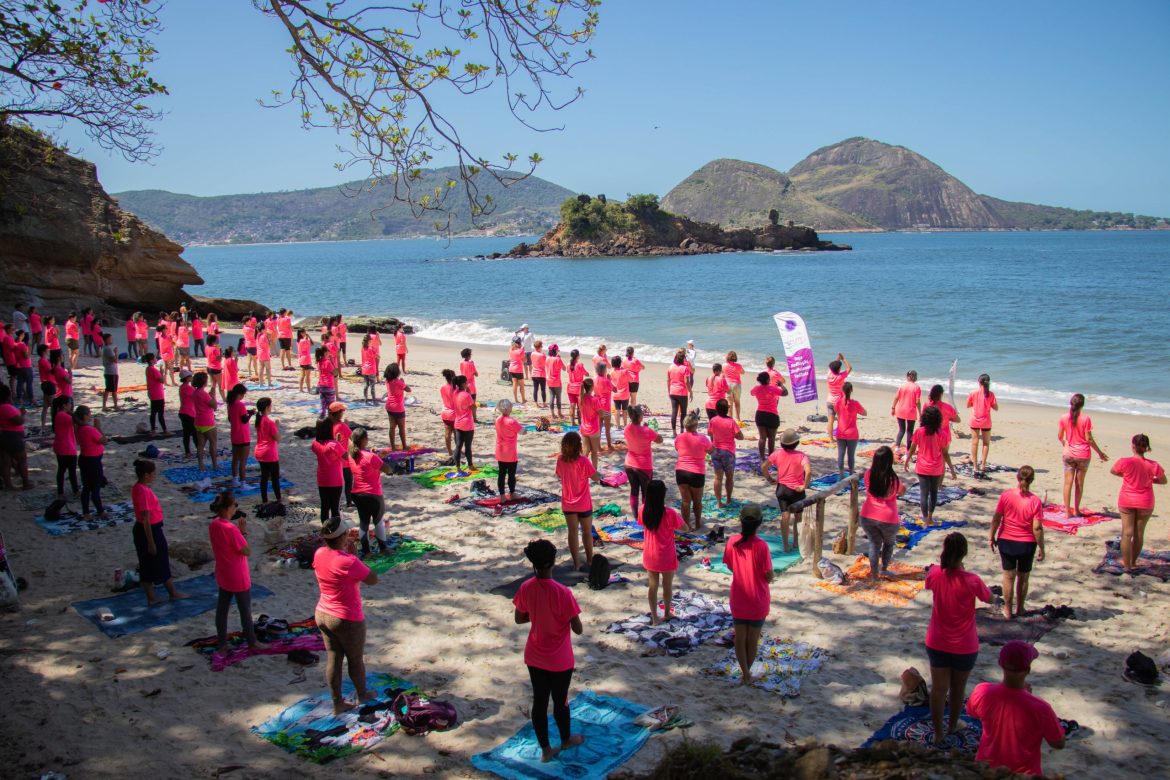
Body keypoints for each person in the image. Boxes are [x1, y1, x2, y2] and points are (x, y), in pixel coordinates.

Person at [513, 539, 584, 763]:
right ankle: (565, 739)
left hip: (535, 655)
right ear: (553, 562)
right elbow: (578, 628)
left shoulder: (526, 588)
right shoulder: (563, 593)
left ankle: (545, 749)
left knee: (540, 701)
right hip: (560, 658)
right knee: (560, 700)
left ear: (533, 564)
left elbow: (519, 618)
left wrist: (537, 615)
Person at [924, 532, 992, 746]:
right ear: (964, 553)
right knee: (957, 689)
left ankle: (937, 733)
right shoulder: (972, 580)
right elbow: (988, 598)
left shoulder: (935, 574)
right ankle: (952, 725)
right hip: (965, 644)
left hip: (937, 641)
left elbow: (929, 582)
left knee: (938, 689)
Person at [967, 641, 1066, 776]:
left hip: (985, 770)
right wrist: (1025, 698)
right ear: (1027, 670)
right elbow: (1058, 744)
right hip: (1022, 775)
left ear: (1001, 665)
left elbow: (972, 713)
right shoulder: (1041, 708)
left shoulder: (981, 691)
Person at [315, 515, 378, 713]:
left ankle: (337, 702)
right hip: (346, 617)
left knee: (334, 657)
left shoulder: (319, 554)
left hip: (323, 612)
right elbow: (372, 579)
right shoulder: (348, 561)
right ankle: (362, 694)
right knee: (354, 658)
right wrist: (354, 557)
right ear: (342, 537)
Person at [723, 503, 774, 686]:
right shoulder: (761, 546)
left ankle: (744, 671)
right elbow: (768, 575)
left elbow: (729, 565)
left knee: (740, 637)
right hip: (758, 598)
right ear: (759, 523)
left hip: (739, 595)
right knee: (752, 639)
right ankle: (747, 673)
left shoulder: (732, 542)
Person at [207, 490, 264, 653]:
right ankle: (252, 642)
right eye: (234, 505)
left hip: (223, 571)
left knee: (222, 609)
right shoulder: (230, 529)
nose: (235, 508)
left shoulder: (214, 524)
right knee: (245, 610)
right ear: (226, 508)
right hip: (237, 573)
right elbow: (246, 550)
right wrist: (243, 532)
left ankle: (222, 643)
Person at [990, 466, 1045, 619]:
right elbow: (1037, 528)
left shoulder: (1006, 496)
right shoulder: (1035, 501)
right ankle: (1020, 607)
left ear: (1017, 478)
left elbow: (996, 518)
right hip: (1026, 543)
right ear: (1032, 480)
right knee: (1023, 577)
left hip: (1006, 541)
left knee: (1008, 576)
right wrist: (1041, 547)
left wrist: (991, 536)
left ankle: (1007, 609)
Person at [132, 459, 188, 604]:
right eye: (153, 473)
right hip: (149, 530)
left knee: (150, 563)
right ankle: (170, 593)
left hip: (149, 528)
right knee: (158, 561)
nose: (155, 475)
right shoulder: (142, 491)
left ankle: (155, 596)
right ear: (146, 475)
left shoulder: (140, 487)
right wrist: (150, 541)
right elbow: (145, 518)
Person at [1110, 434, 1167, 572]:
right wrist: (1151, 480)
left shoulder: (1124, 461)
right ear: (1147, 448)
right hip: (1145, 501)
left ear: (1133, 446)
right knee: (1139, 533)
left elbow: (1113, 471)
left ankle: (1127, 565)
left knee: (1127, 533)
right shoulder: (1153, 465)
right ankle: (1133, 561)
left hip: (1127, 499)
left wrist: (1126, 476)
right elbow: (1163, 480)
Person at [639, 480, 684, 625]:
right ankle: (666, 613)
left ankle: (654, 617)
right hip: (666, 554)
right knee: (667, 586)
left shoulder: (643, 510)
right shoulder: (669, 513)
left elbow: (641, 524)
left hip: (650, 554)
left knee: (653, 586)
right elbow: (686, 528)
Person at [555, 431, 601, 571]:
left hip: (568, 502)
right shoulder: (583, 461)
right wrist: (601, 474)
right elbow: (595, 477)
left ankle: (576, 563)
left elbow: (559, 475)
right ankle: (590, 560)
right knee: (587, 532)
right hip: (583, 503)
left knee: (572, 532)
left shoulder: (560, 460)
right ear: (579, 446)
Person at [1057, 393, 1109, 518]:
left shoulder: (1064, 417)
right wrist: (1100, 453)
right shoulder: (1086, 419)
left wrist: (1065, 444)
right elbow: (1089, 439)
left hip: (1068, 454)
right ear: (1082, 405)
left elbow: (1060, 436)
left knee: (1067, 483)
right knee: (1079, 484)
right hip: (1083, 455)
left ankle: (1067, 512)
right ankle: (1076, 510)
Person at [904, 405, 956, 526]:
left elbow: (912, 449)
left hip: (922, 467)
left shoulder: (919, 432)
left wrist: (907, 461)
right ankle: (930, 517)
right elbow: (945, 454)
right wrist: (952, 470)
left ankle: (925, 518)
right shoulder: (942, 434)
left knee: (923, 493)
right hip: (936, 468)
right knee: (933, 493)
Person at [763, 429, 811, 552]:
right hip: (797, 490)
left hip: (782, 489)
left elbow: (764, 466)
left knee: (785, 516)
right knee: (798, 517)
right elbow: (808, 471)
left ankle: (785, 545)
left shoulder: (777, 454)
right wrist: (804, 486)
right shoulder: (801, 455)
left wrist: (769, 478)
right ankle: (796, 542)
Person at [860, 446, 905, 579]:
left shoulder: (869, 474)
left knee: (874, 544)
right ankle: (884, 568)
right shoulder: (893, 479)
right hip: (888, 517)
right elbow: (902, 491)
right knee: (888, 544)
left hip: (868, 514)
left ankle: (874, 573)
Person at [349, 427, 393, 557]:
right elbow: (387, 470)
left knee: (364, 522)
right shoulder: (370, 457)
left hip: (357, 493)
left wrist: (377, 456)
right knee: (378, 521)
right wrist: (380, 458)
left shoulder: (352, 455)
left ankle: (366, 551)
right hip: (372, 493)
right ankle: (383, 548)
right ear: (364, 440)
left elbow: (364, 466)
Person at [674, 411, 712, 529]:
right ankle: (698, 524)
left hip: (681, 471)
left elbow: (677, 449)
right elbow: (711, 451)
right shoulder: (703, 438)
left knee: (685, 501)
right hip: (697, 472)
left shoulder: (679, 437)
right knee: (697, 501)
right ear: (696, 425)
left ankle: (686, 525)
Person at [623, 405, 662, 515]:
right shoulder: (646, 430)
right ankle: (644, 514)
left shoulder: (627, 428)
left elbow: (635, 435)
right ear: (640, 416)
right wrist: (648, 429)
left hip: (629, 464)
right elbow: (660, 440)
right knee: (646, 492)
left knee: (634, 491)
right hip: (644, 466)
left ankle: (636, 514)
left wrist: (645, 429)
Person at [74, 405, 108, 517]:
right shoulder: (89, 430)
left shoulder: (79, 428)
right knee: (95, 487)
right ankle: (100, 511)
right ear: (84, 416)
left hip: (85, 459)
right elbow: (104, 441)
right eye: (89, 413)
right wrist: (98, 428)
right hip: (93, 461)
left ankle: (86, 512)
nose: (90, 415)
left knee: (86, 487)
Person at [709, 399, 744, 507]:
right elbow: (741, 436)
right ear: (728, 409)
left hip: (716, 450)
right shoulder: (731, 422)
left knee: (717, 477)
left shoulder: (713, 420)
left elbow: (710, 433)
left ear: (716, 409)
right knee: (729, 477)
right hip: (728, 452)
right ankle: (728, 499)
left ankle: (719, 502)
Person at [313, 418, 346, 522]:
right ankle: (336, 533)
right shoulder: (334, 445)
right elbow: (346, 456)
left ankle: (325, 531)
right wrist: (339, 443)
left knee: (324, 507)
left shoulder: (315, 444)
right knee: (335, 508)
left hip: (322, 479)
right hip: (335, 480)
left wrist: (336, 442)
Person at [0, 385, 32, 490]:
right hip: (13, 436)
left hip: (4, 435)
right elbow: (18, 421)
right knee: (22, 460)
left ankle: (8, 485)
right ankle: (26, 483)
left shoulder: (4, 407)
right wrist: (22, 414)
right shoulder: (5, 408)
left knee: (6, 462)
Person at [967, 373, 998, 475]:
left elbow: (968, 405)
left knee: (974, 442)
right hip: (986, 421)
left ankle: (975, 466)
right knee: (986, 443)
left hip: (975, 420)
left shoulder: (973, 392)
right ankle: (983, 466)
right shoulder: (990, 394)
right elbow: (996, 408)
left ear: (978, 381)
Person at [834, 381, 866, 475]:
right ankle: (851, 474)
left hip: (841, 432)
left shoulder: (838, 403)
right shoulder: (855, 403)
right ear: (851, 390)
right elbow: (864, 413)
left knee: (841, 454)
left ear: (842, 390)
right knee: (851, 455)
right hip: (852, 433)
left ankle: (841, 475)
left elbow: (836, 411)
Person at [751, 370, 784, 461]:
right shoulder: (773, 388)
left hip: (760, 414)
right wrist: (781, 385)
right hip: (772, 415)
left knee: (762, 437)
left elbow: (751, 393)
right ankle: (771, 456)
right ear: (768, 379)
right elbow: (785, 393)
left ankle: (762, 457)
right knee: (771, 438)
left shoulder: (757, 388)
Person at [254, 397, 282, 504]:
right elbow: (278, 438)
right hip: (269, 452)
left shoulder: (259, 420)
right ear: (267, 407)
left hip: (260, 451)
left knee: (264, 477)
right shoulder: (269, 422)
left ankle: (264, 499)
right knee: (275, 478)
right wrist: (277, 427)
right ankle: (278, 498)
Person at [495, 399, 522, 499]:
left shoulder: (498, 419)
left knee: (501, 474)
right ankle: (512, 493)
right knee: (511, 474)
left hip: (500, 450)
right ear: (508, 409)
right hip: (510, 452)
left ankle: (502, 495)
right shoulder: (512, 421)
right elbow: (522, 431)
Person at [226, 383, 252, 488]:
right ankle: (243, 482)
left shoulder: (230, 404)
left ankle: (234, 479)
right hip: (243, 435)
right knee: (243, 460)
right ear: (240, 394)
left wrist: (247, 412)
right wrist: (250, 414)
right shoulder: (240, 404)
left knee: (235, 459)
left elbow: (230, 418)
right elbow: (244, 419)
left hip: (234, 434)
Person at [191, 372, 219, 471]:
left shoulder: (195, 392)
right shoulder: (203, 394)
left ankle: (201, 465)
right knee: (213, 443)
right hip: (207, 421)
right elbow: (214, 406)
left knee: (200, 445)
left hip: (198, 421)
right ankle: (215, 464)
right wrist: (213, 396)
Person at [51, 395, 78, 496]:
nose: (71, 405)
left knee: (62, 470)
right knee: (71, 471)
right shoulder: (63, 416)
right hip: (67, 447)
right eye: (70, 403)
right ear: (64, 405)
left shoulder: (59, 415)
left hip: (62, 446)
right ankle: (75, 490)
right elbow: (78, 421)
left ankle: (61, 491)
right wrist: (73, 413)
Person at [383, 362, 411, 451]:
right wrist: (403, 382)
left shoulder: (387, 381)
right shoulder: (398, 382)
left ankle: (393, 446)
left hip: (389, 406)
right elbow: (408, 390)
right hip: (398, 407)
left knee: (392, 427)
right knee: (401, 428)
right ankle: (404, 445)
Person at [892, 369, 922, 451]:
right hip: (911, 412)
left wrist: (893, 408)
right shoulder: (917, 387)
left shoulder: (902, 386)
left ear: (907, 377)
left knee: (901, 430)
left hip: (900, 410)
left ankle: (897, 447)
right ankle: (908, 451)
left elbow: (896, 398)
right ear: (915, 377)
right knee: (909, 431)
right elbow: (918, 402)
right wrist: (920, 413)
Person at [825, 353, 852, 442]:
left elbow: (833, 367)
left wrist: (838, 359)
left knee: (830, 420)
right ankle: (840, 437)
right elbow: (849, 368)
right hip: (838, 402)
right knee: (841, 420)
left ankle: (831, 439)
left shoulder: (829, 374)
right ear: (839, 369)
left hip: (829, 401)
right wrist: (843, 358)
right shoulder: (840, 377)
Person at [452, 375, 476, 472]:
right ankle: (470, 465)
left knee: (458, 445)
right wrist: (469, 394)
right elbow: (473, 407)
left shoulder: (455, 393)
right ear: (463, 384)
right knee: (468, 446)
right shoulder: (466, 395)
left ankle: (457, 467)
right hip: (467, 423)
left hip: (458, 422)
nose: (467, 384)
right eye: (466, 382)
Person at [667, 351, 691, 436]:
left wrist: (668, 391)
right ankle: (681, 430)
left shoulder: (670, 367)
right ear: (683, 359)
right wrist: (691, 392)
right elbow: (686, 381)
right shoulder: (685, 368)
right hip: (682, 392)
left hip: (673, 391)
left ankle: (674, 431)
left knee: (674, 412)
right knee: (683, 412)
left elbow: (668, 380)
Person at [145, 353, 167, 433]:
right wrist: (163, 373)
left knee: (153, 413)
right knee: (160, 414)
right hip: (157, 394)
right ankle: (165, 430)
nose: (156, 359)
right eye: (154, 358)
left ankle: (153, 429)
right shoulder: (153, 370)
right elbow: (161, 380)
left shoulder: (148, 369)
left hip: (152, 392)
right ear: (151, 360)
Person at [177, 369, 197, 456]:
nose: (192, 377)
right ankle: (197, 449)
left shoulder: (182, 387)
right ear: (187, 378)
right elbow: (196, 396)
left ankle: (187, 451)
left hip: (184, 411)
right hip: (188, 412)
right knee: (194, 433)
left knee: (186, 433)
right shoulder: (188, 388)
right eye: (190, 376)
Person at [439, 368, 457, 457]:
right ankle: (457, 450)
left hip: (445, 412)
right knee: (456, 434)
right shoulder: (456, 388)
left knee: (447, 433)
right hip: (454, 413)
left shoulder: (442, 387)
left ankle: (449, 451)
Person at [566, 349, 587, 427]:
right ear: (578, 356)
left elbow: (568, 372)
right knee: (580, 406)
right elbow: (586, 373)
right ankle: (580, 422)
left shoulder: (568, 364)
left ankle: (572, 422)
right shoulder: (580, 364)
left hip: (570, 387)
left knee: (572, 405)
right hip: (578, 388)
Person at [316, 344, 337, 419]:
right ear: (325, 352)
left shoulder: (319, 362)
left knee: (322, 405)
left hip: (321, 385)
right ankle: (331, 421)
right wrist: (332, 361)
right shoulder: (327, 362)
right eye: (328, 351)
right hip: (329, 385)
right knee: (331, 406)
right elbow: (335, 373)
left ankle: (321, 419)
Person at [459, 347, 479, 424]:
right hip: (471, 385)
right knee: (473, 403)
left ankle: (465, 416)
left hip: (463, 383)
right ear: (469, 355)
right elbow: (476, 374)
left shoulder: (461, 363)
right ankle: (474, 418)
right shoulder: (471, 364)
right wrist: (472, 364)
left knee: (465, 402)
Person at [609, 356, 630, 429]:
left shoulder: (611, 372)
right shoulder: (625, 371)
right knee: (625, 410)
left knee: (617, 410)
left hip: (616, 394)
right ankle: (625, 425)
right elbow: (630, 379)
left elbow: (609, 382)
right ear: (620, 363)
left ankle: (618, 425)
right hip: (625, 394)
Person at [723, 351, 745, 421]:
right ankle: (738, 418)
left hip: (728, 384)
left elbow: (722, 374)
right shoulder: (738, 365)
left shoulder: (724, 365)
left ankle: (730, 418)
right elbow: (743, 372)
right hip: (736, 384)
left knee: (730, 403)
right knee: (737, 402)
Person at [546, 345, 564, 419]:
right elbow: (564, 368)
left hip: (549, 380)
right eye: (557, 350)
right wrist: (559, 358)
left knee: (551, 397)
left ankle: (552, 414)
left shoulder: (547, 358)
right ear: (555, 351)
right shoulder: (557, 359)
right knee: (558, 398)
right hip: (556, 381)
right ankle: (559, 413)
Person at [508, 337, 527, 404]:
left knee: (514, 384)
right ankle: (523, 399)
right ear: (519, 343)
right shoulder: (520, 351)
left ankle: (516, 399)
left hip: (511, 368)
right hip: (518, 369)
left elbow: (510, 358)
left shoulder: (511, 349)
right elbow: (525, 360)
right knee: (521, 385)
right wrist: (523, 352)